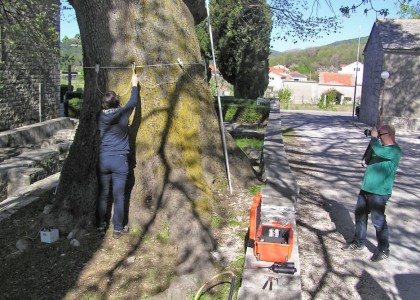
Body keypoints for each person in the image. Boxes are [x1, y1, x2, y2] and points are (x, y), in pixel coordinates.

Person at [342, 124, 402, 262]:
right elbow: (367, 161)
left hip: (379, 192)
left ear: (389, 135)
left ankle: (383, 249)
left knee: (378, 221)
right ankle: (358, 242)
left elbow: (380, 151)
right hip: (366, 188)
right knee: (360, 216)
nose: (378, 138)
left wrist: (374, 139)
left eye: (380, 135)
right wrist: (372, 141)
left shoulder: (395, 150)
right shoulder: (379, 147)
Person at [97, 74, 139, 239]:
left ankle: (101, 225)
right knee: (119, 195)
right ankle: (118, 229)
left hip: (103, 160)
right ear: (118, 102)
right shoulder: (123, 113)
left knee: (103, 193)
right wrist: (134, 84)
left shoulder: (99, 116)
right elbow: (134, 101)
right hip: (120, 160)